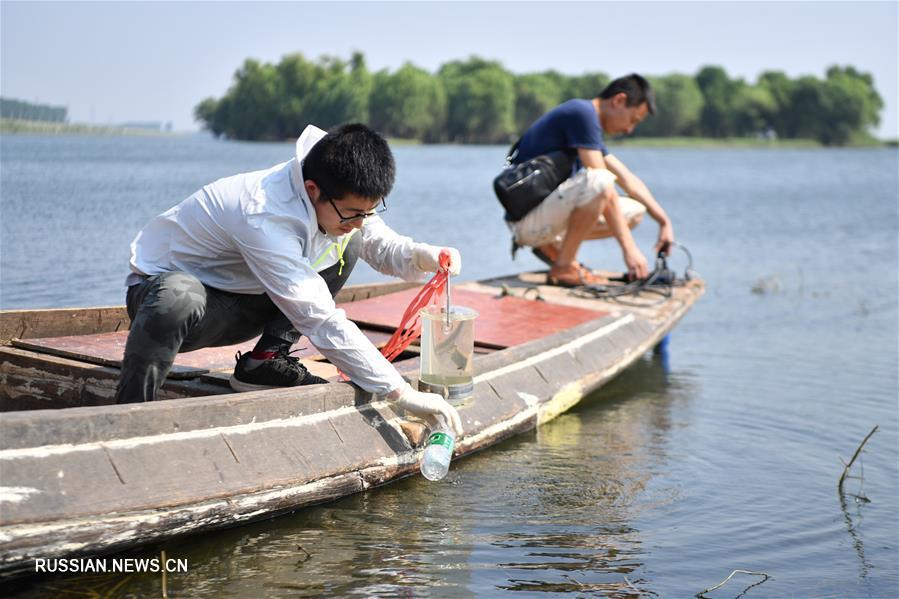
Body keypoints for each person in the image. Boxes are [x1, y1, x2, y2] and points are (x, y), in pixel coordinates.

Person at [115, 123, 463, 435]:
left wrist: (424, 256)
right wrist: (402, 394)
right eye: (353, 213)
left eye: (368, 211)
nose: (360, 220)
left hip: (246, 296)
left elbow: (378, 241)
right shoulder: (264, 214)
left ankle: (265, 362)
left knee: (351, 241)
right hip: (174, 306)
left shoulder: (336, 189)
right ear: (313, 190)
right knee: (179, 295)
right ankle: (130, 417)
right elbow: (321, 320)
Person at [505, 73, 675, 287]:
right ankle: (564, 266)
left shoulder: (588, 126)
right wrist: (630, 250)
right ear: (619, 100)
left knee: (635, 211)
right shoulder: (581, 113)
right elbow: (604, 184)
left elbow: (628, 180)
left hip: (543, 218)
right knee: (599, 181)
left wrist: (664, 221)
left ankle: (555, 250)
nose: (629, 129)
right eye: (633, 119)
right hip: (527, 222)